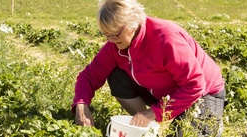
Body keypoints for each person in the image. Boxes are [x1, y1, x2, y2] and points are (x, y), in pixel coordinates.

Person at [71, 0, 226, 136]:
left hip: (202, 94)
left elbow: (195, 85)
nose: (110, 40)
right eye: (106, 35)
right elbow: (89, 76)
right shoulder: (115, 45)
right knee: (117, 76)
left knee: (189, 134)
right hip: (163, 93)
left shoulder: (166, 39)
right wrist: (81, 105)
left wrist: (153, 112)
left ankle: (209, 121)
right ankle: (148, 127)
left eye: (115, 34)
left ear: (132, 23)